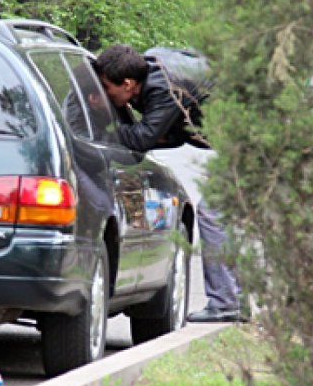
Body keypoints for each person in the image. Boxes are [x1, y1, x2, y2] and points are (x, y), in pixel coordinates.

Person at [93, 44, 243, 322]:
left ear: (127, 84)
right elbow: (173, 134)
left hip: (253, 139)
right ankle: (234, 300)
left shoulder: (162, 87)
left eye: (105, 87)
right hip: (248, 133)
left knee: (214, 214)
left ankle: (226, 303)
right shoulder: (152, 70)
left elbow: (142, 139)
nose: (103, 94)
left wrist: (103, 127)